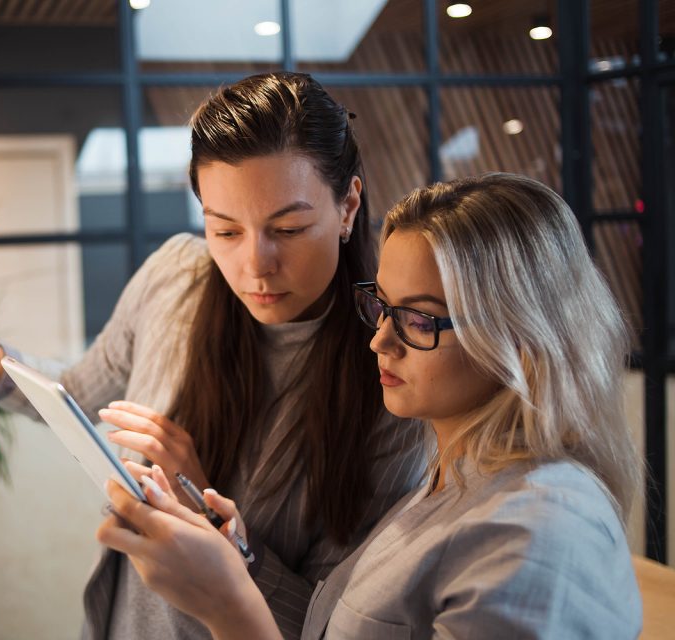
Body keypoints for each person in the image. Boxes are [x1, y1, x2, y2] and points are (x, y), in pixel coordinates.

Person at [0, 72, 429, 639]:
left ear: (349, 204)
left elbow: (332, 626)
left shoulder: (392, 383)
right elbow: (81, 395)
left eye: (290, 226)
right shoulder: (175, 277)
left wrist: (210, 519)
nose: (256, 265)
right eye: (225, 231)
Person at [97, 172, 644, 639]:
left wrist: (228, 607)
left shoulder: (539, 536)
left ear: (520, 342)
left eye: (420, 319)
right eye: (382, 306)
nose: (380, 341)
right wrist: (242, 556)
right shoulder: (457, 478)